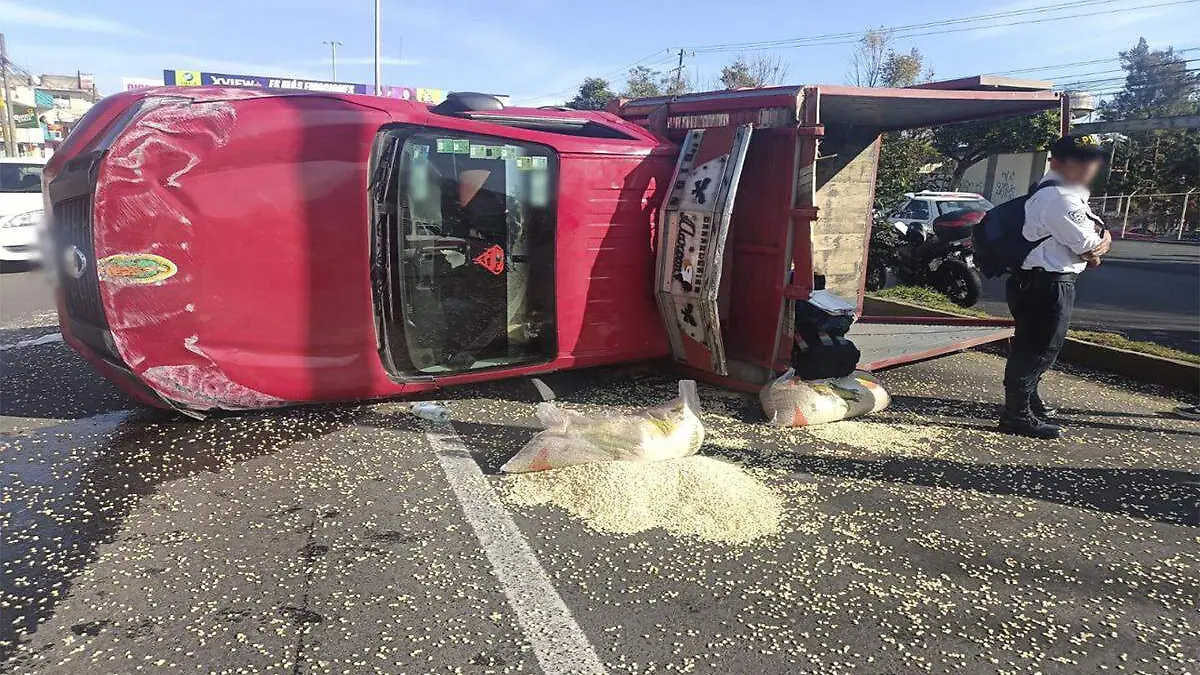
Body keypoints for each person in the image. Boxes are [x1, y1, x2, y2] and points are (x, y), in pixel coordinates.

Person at [1000, 134, 1112, 439]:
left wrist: (1091, 250)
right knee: (1038, 351)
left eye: (1093, 160)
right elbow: (1088, 242)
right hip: (1047, 284)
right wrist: (1104, 243)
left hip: (1037, 281)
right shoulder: (1059, 197)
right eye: (1081, 160)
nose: (1089, 167)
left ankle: (1026, 402)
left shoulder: (1061, 192)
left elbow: (1086, 247)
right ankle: (1017, 415)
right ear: (1058, 162)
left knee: (1031, 346)